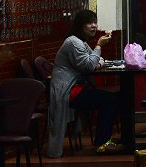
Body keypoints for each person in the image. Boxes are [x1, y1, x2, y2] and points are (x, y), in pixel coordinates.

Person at [47, 10, 122, 157]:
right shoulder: (73, 42)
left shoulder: (81, 42)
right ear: (80, 25)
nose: (94, 26)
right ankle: (101, 143)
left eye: (95, 22)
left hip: (76, 87)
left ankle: (104, 141)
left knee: (114, 98)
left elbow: (97, 61)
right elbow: (89, 65)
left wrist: (96, 60)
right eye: (89, 23)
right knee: (109, 100)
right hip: (67, 91)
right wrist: (99, 45)